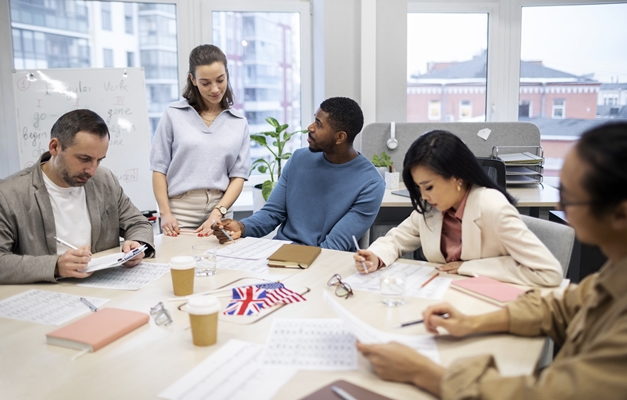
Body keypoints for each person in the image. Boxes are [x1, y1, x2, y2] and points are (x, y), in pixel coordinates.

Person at [357, 122, 627, 399]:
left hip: (483, 300)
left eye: (568, 196)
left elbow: (543, 393)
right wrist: (473, 324)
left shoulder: (490, 204)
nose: (559, 207)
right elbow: (562, 308)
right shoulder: (613, 274)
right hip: (458, 303)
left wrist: (422, 371)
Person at [354, 130, 562, 287]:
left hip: (490, 302)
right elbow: (397, 239)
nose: (423, 196)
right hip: (446, 295)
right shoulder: (431, 208)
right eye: (418, 188)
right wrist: (376, 256)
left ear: (457, 178)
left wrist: (468, 267)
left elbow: (549, 272)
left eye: (429, 187)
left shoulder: (493, 208)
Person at [0, 109, 155, 284]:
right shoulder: (8, 194)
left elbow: (138, 222)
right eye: (84, 159)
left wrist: (137, 243)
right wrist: (55, 266)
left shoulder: (104, 180)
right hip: (47, 293)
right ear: (54, 147)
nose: (92, 170)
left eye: (99, 160)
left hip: (105, 286)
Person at [212, 97, 385, 251]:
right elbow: (272, 213)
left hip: (322, 263)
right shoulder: (299, 159)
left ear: (340, 137)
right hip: (279, 254)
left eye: (319, 124)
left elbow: (334, 246)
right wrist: (241, 227)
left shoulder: (370, 183)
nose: (310, 127)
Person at [150, 44, 250, 237]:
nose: (215, 89)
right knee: (179, 264)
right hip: (180, 212)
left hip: (220, 210)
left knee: (220, 265)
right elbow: (158, 168)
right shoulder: (174, 114)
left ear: (227, 75)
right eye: (205, 83)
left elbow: (238, 176)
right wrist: (165, 213)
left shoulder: (239, 122)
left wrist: (217, 212)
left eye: (220, 80)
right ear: (193, 80)